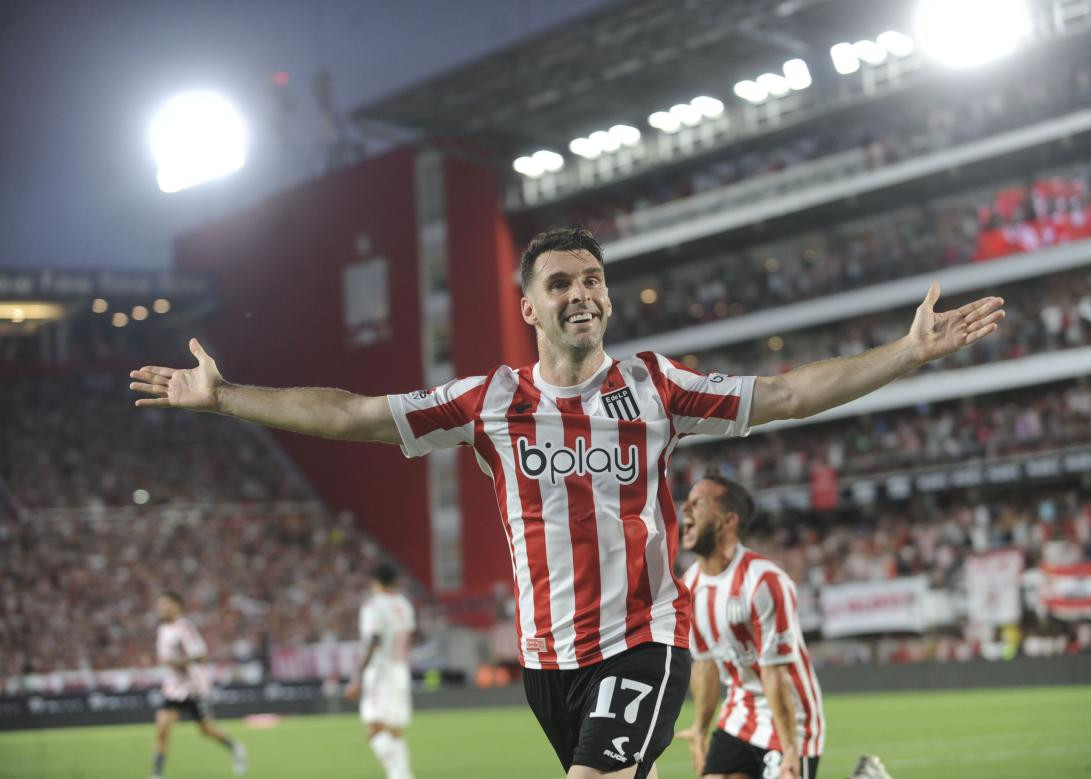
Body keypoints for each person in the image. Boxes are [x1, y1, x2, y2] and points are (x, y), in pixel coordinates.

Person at [130, 227, 1004, 778]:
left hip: (644, 639)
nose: (580, 291)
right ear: (529, 306)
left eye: (592, 278)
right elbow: (353, 414)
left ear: (608, 296)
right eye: (560, 282)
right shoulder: (489, 402)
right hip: (548, 663)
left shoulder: (657, 386)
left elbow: (784, 392)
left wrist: (906, 353)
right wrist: (227, 396)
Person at [675, 473, 821, 779]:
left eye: (698, 503)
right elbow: (705, 666)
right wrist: (700, 730)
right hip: (739, 712)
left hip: (790, 716)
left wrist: (790, 748)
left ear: (729, 521)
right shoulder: (689, 587)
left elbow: (773, 671)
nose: (685, 508)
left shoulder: (764, 582)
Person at [151, 591, 246, 779]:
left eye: (165, 604)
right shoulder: (162, 630)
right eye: (160, 605)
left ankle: (236, 748)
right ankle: (156, 774)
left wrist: (178, 662)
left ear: (176, 605)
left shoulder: (184, 627)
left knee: (206, 729)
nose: (161, 608)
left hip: (194, 687)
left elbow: (201, 655)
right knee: (162, 727)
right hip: (173, 687)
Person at [345, 564, 417, 779]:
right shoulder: (404, 605)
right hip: (400, 669)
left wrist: (358, 677)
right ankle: (402, 775)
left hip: (380, 671)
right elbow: (410, 636)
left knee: (374, 727)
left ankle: (400, 775)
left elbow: (374, 639)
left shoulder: (373, 606)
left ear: (374, 581)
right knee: (394, 730)